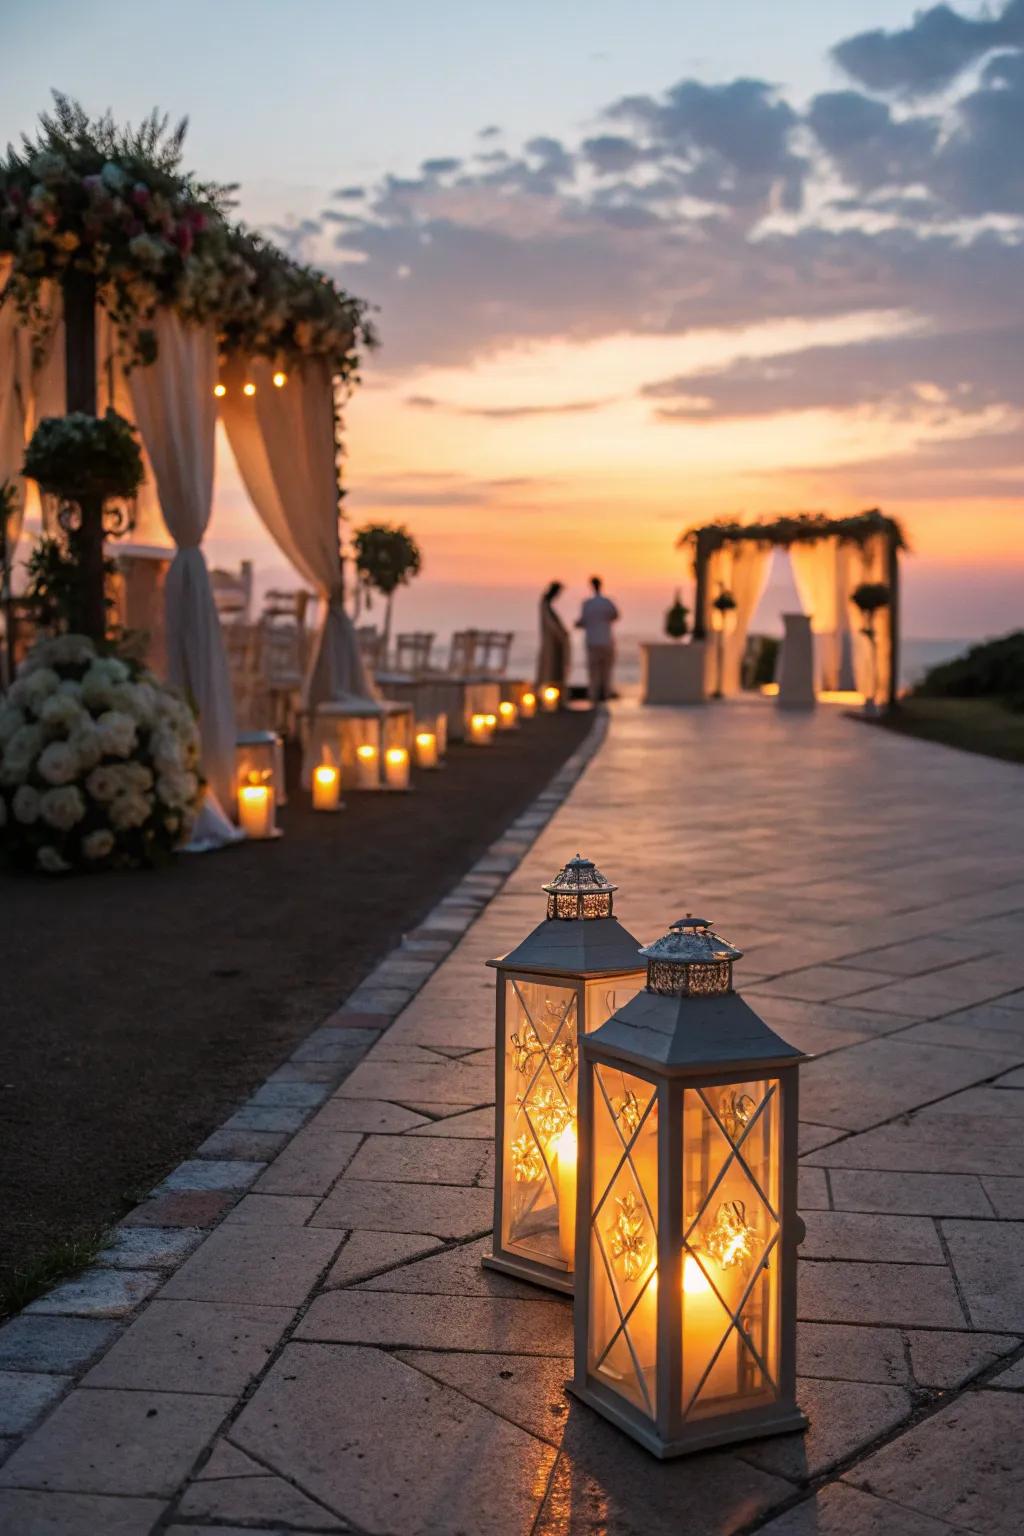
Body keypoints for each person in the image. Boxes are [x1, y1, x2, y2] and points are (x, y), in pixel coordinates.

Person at [576, 576, 619, 703]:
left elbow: (582, 622)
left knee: (593, 671)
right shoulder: (607, 602)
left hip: (592, 641)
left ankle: (594, 697)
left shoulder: (587, 604)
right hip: (606, 641)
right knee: (606, 671)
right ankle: (605, 695)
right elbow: (615, 616)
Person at [537, 580, 570, 697]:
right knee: (548, 672)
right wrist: (561, 635)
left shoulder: (547, 606)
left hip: (555, 645)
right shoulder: (545, 605)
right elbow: (551, 625)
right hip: (551, 646)